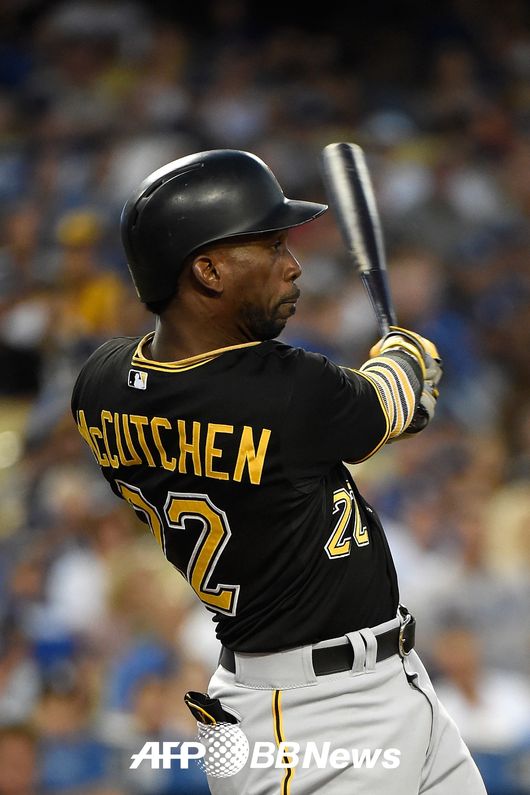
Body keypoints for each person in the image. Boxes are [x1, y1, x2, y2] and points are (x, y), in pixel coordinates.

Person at [71, 149, 486, 794]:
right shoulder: (283, 391)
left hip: (369, 685)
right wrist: (407, 354)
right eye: (269, 248)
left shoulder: (99, 384)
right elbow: (400, 401)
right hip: (309, 717)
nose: (292, 266)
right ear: (207, 270)